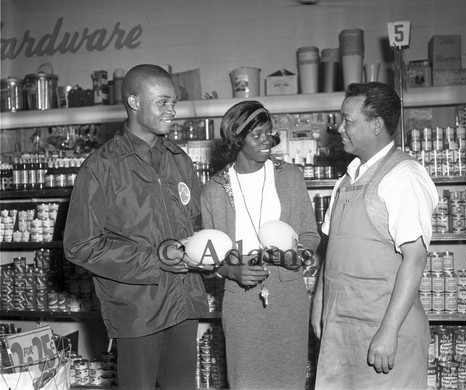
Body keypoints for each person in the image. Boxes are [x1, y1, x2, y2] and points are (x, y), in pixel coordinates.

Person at [63, 64, 208, 390]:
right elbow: (80, 245)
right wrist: (156, 259)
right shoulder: (102, 167)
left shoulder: (179, 160)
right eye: (163, 102)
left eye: (174, 103)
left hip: (184, 304)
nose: (172, 111)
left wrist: (204, 252)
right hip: (139, 312)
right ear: (134, 102)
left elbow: (197, 224)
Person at [311, 82, 438, 389]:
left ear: (377, 124)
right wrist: (318, 302)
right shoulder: (347, 179)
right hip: (342, 333)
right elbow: (332, 252)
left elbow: (415, 259)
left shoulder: (403, 176)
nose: (340, 128)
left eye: (348, 121)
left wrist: (389, 331)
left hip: (382, 333)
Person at [201, 100, 320, 390]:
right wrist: (231, 271)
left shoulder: (289, 176)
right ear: (237, 140)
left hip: (289, 295)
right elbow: (208, 254)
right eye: (258, 135)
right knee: (245, 380)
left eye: (269, 132)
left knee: (289, 379)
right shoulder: (214, 189)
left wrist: (298, 257)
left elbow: (309, 234)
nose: (268, 141)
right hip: (241, 299)